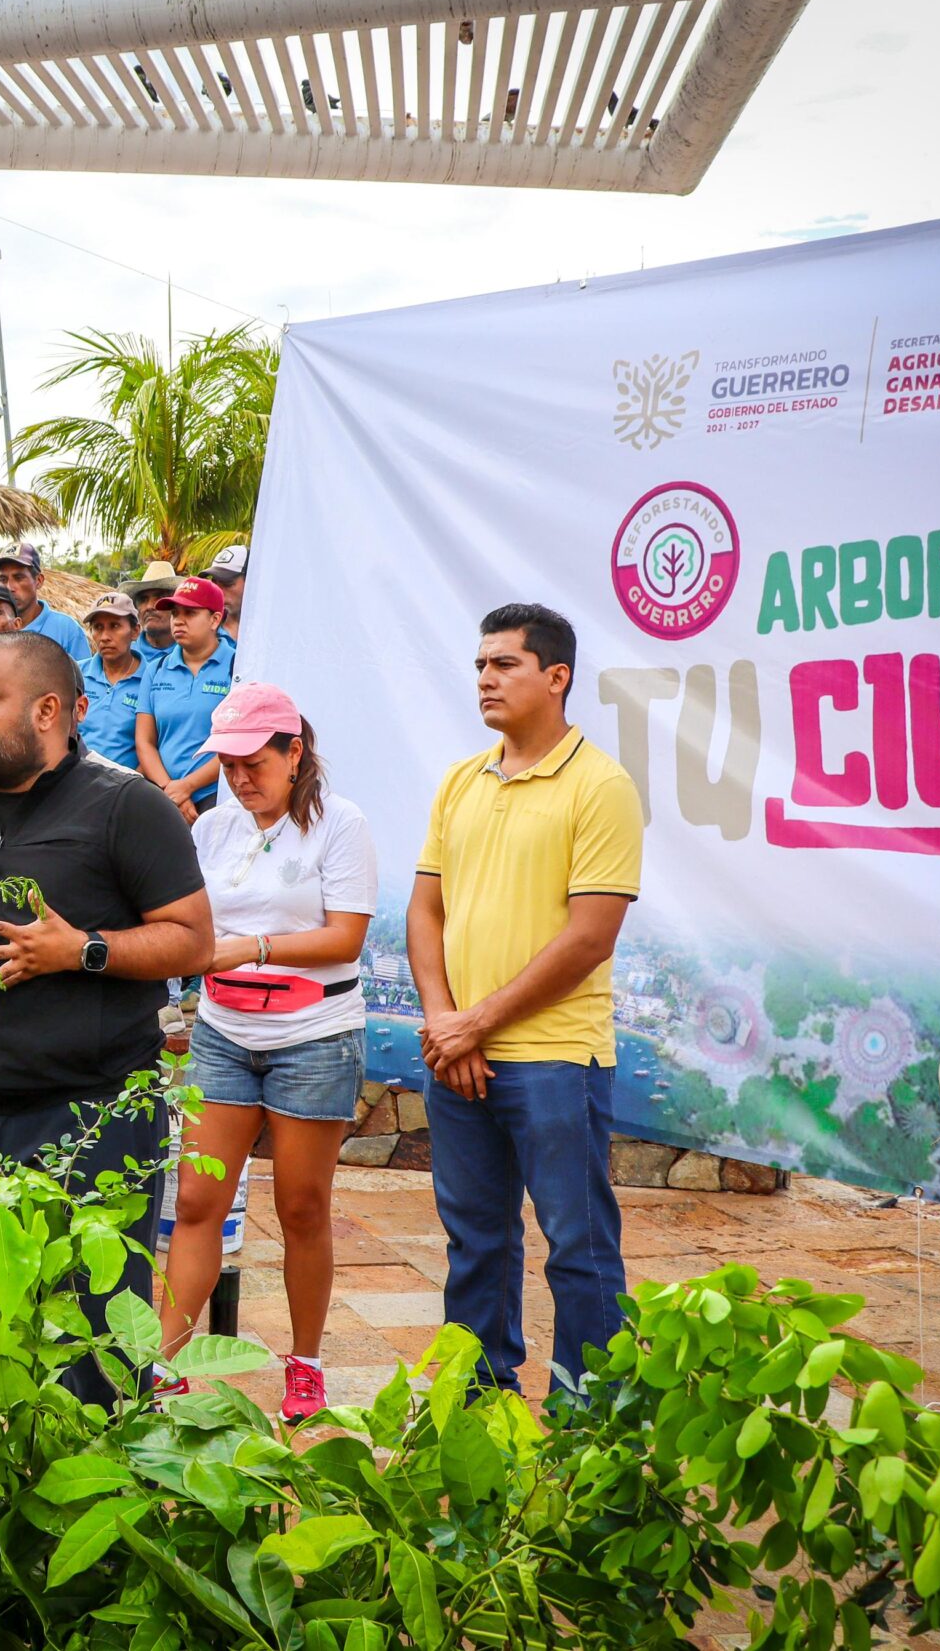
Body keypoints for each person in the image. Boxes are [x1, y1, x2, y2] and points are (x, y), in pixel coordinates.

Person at [0, 632, 214, 1405]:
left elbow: (193, 938)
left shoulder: (126, 808)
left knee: (98, 1338)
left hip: (96, 1111)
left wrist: (84, 950)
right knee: (8, 1330)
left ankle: (107, 1494)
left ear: (47, 710)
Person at [407, 603, 641, 1397]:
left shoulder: (600, 785)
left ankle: (594, 1421)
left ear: (556, 675)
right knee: (474, 1242)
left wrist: (475, 1021)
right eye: (479, 665)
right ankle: (477, 1408)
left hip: (554, 1060)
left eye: (503, 663)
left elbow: (589, 937)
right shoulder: (459, 780)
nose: (484, 679)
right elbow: (424, 910)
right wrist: (447, 1022)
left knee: (578, 1246)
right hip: (460, 1057)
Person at [156, 684, 376, 1422]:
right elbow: (182, 923)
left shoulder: (340, 824)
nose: (241, 776)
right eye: (228, 762)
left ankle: (306, 1360)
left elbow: (345, 936)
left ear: (294, 752)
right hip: (224, 1028)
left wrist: (251, 946)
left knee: (302, 1207)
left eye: (255, 760)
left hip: (313, 1035)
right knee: (195, 1200)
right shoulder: (213, 829)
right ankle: (169, 1362)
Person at [134, 576, 238, 821]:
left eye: (190, 613)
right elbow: (145, 741)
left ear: (215, 619)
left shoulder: (237, 666)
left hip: (219, 796)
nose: (178, 621)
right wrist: (170, 789)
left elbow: (236, 741)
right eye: (175, 613)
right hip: (164, 796)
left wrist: (188, 786)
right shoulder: (157, 668)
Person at [76, 592, 146, 768]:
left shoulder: (152, 679)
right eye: (98, 627)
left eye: (115, 626)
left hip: (127, 785)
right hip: (75, 779)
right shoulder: (75, 673)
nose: (105, 637)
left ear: (135, 631)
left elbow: (156, 745)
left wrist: (133, 784)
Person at [0, 541, 94, 662]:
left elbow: (83, 678)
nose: (9, 587)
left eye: (18, 578)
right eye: (3, 579)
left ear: (39, 581)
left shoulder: (66, 630)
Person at [126, 561, 180, 664]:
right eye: (143, 599)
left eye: (159, 597)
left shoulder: (193, 653)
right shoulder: (125, 656)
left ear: (177, 606)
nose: (150, 606)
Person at [208, 543, 250, 643]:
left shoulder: (271, 628)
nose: (218, 592)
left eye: (227, 583)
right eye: (214, 583)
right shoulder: (203, 633)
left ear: (250, 582)